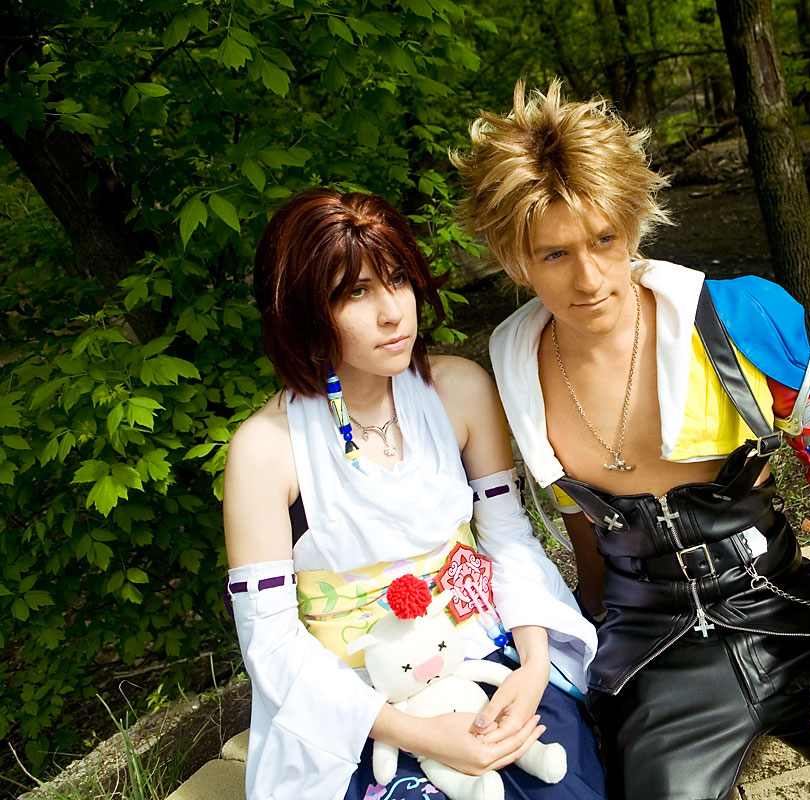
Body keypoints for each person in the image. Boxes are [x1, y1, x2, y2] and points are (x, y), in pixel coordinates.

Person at [453, 82, 810, 800]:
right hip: (652, 657)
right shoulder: (512, 369)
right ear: (514, 258)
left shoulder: (735, 318)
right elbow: (582, 538)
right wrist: (580, 666)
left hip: (789, 615)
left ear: (634, 223)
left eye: (604, 239)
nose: (589, 278)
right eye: (555, 254)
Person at [222, 189, 606, 800]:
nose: (392, 312)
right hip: (360, 707)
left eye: (398, 280)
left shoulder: (459, 390)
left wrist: (534, 665)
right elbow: (270, 643)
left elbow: (508, 539)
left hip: (487, 659)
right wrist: (423, 734)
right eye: (356, 293)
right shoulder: (266, 450)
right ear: (300, 309)